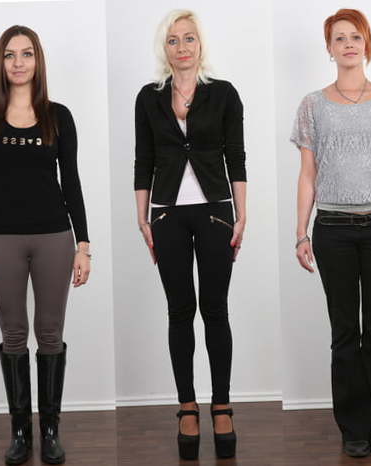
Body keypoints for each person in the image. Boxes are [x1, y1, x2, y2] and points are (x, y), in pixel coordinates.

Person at [291, 8, 371, 458]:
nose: (348, 44)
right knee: (345, 331)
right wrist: (300, 232)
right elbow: (307, 174)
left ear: (368, 44)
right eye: (339, 38)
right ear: (329, 49)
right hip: (332, 230)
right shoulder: (312, 105)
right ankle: (353, 427)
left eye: (355, 37)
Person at [0, 25, 91, 465]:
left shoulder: (59, 116)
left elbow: (71, 181)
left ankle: (50, 431)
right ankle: (20, 432)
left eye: (26, 54)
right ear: (0, 63)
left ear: (38, 61)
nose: (18, 63)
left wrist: (83, 244)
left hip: (54, 236)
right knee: (14, 334)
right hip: (1, 237)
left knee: (50, 333)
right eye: (9, 55)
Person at [133, 9, 246, 460]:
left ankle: (221, 404)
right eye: (173, 40)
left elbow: (236, 156)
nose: (182, 47)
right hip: (167, 215)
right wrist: (142, 216)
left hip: (216, 212)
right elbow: (143, 159)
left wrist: (241, 214)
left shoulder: (223, 94)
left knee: (215, 309)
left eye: (189, 38)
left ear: (201, 45)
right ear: (164, 48)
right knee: (179, 310)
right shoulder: (149, 97)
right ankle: (186, 406)